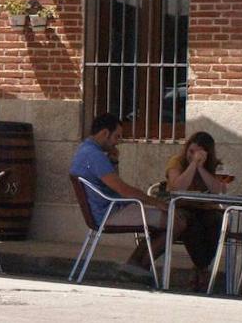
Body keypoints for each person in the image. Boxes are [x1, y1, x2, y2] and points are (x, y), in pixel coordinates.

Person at [69, 112, 185, 278]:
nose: (118, 142)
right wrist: (156, 202)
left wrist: (114, 161)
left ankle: (134, 266)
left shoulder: (85, 150)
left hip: (108, 209)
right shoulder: (94, 156)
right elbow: (123, 190)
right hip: (110, 213)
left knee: (165, 222)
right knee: (177, 222)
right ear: (104, 133)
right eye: (116, 136)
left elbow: (113, 185)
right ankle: (139, 267)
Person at [165, 131, 227, 289]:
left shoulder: (216, 165)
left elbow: (218, 190)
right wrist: (193, 165)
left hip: (206, 209)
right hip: (183, 207)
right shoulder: (177, 162)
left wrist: (201, 168)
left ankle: (199, 268)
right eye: (191, 152)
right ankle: (202, 268)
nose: (193, 156)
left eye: (198, 153)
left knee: (217, 221)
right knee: (190, 223)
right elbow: (177, 187)